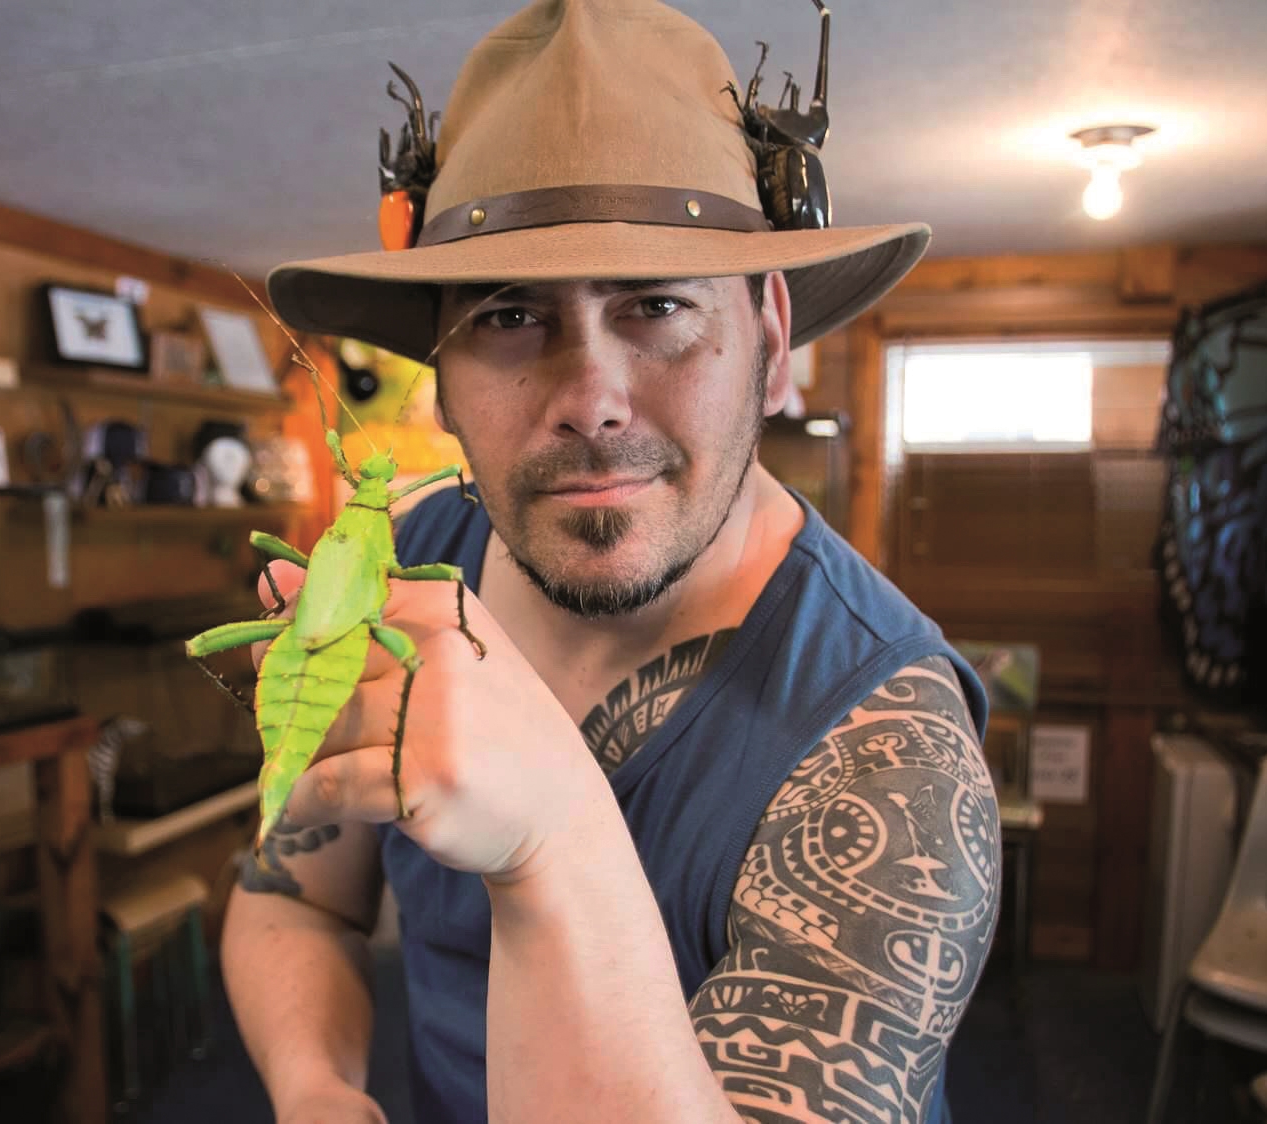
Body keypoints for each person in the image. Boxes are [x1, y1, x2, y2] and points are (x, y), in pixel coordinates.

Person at [221, 1, 1001, 1121]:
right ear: (441, 377)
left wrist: (555, 840)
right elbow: (296, 894)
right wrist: (312, 1085)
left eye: (657, 305)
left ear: (772, 338)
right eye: (508, 317)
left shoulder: (889, 756)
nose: (590, 399)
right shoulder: (413, 560)